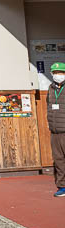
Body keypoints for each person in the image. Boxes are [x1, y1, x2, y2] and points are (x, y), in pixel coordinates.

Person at [48, 62, 65, 197]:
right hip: (55, 130)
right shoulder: (51, 88)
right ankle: (62, 186)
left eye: (61, 72)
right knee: (58, 159)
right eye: (55, 73)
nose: (58, 75)